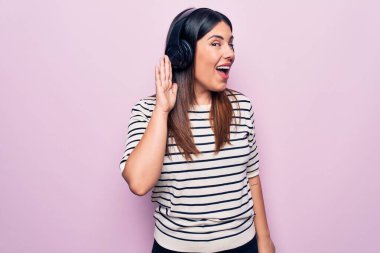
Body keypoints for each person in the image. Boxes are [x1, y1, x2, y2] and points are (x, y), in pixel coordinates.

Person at [119, 7, 275, 253]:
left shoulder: (242, 107)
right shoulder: (147, 111)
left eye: (231, 44)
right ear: (185, 53)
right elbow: (138, 183)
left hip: (243, 245)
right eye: (216, 43)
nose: (230, 53)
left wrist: (265, 240)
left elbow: (252, 178)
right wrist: (162, 111)